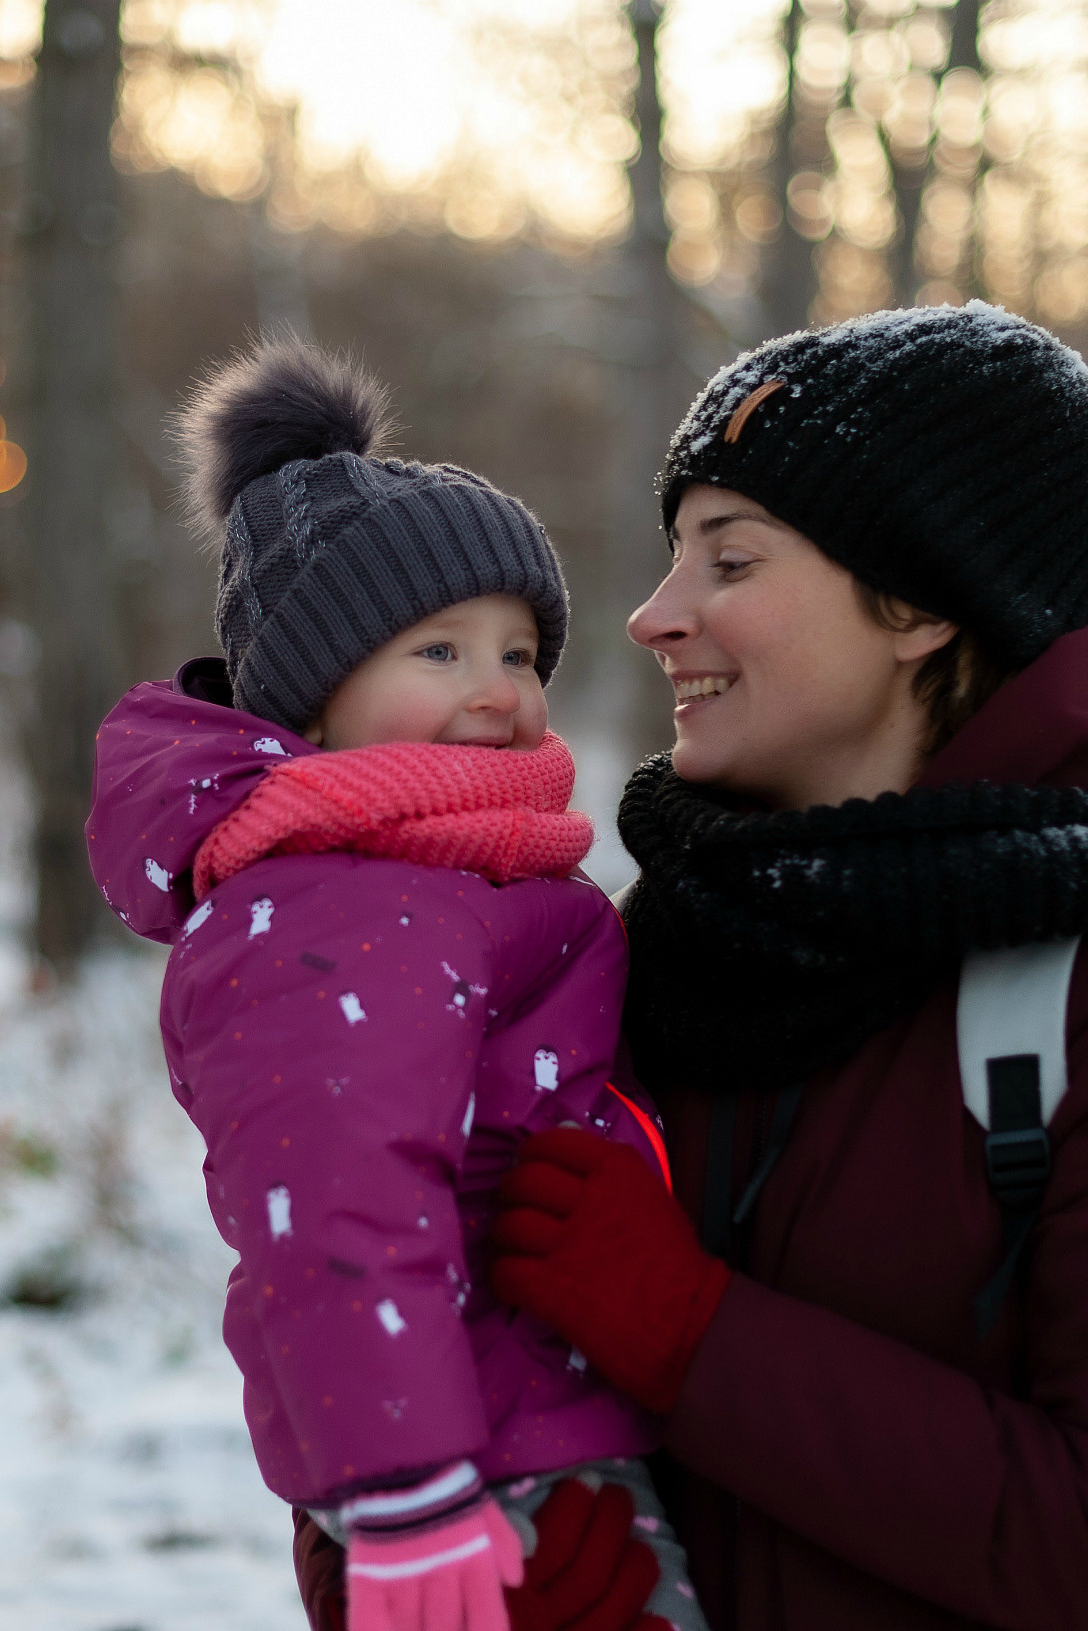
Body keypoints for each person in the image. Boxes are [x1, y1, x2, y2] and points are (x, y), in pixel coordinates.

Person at [300, 303, 1088, 1629]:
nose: (655, 617)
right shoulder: (626, 955)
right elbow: (410, 1358)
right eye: (677, 559)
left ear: (920, 603)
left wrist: (692, 1339)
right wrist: (424, 1571)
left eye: (729, 561)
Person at [85, 343, 702, 1631]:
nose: (499, 691)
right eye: (439, 651)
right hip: (483, 1466)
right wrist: (408, 1491)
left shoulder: (459, 872)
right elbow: (334, 1200)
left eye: (522, 652)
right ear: (312, 700)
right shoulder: (340, 899)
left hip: (548, 1410)